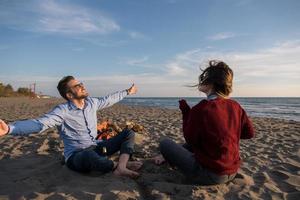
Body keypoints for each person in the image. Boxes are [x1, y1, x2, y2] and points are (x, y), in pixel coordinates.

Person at [0, 76, 142, 178]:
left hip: (97, 147)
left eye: (80, 83)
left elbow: (108, 99)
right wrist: (9, 129)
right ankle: (117, 166)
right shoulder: (62, 111)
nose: (82, 86)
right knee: (89, 155)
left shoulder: (92, 103)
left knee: (128, 133)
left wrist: (127, 92)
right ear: (69, 94)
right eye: (77, 86)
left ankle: (121, 167)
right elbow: (40, 123)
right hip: (77, 155)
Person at [152, 60, 255, 185]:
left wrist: (186, 113)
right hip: (232, 171)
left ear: (211, 83)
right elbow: (249, 133)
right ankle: (165, 157)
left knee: (165, 143)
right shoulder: (235, 105)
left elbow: (190, 139)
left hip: (209, 174)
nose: (200, 82)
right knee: (197, 144)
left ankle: (166, 156)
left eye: (204, 78)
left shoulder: (202, 108)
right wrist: (228, 131)